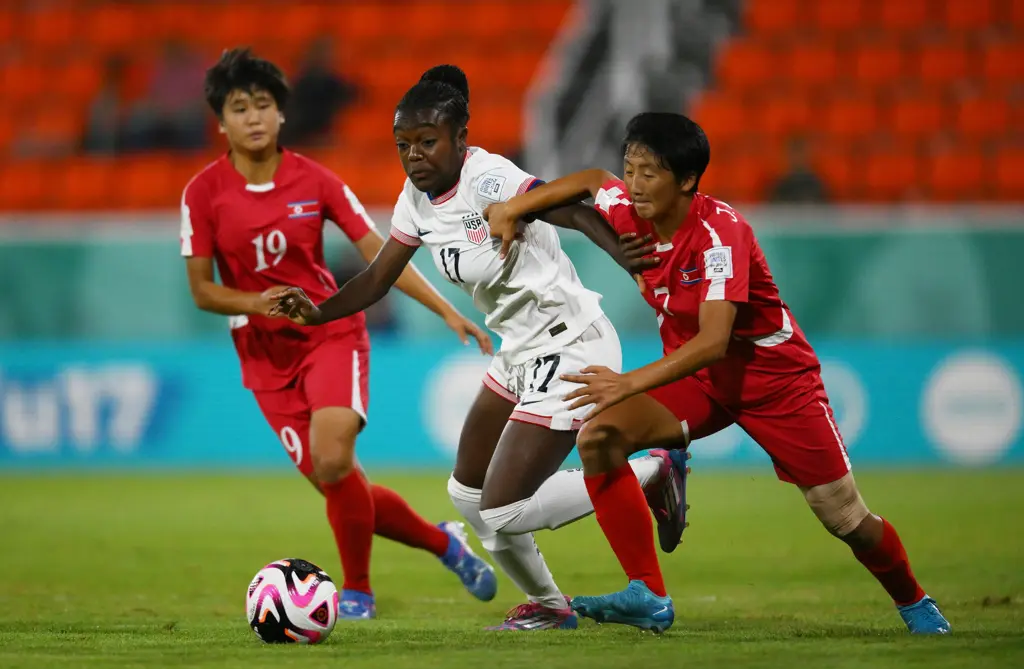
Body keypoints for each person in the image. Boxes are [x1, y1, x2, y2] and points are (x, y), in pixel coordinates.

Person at [483, 112, 951, 636]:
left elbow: (714, 341)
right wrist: (513, 208)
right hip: (701, 382)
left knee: (844, 517)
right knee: (600, 436)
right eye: (631, 169)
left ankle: (916, 603)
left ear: (686, 181)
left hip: (773, 383)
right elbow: (593, 181)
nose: (633, 186)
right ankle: (648, 593)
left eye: (649, 174)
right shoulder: (630, 212)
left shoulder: (720, 235)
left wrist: (627, 383)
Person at [272, 65, 689, 631]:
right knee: (466, 493)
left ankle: (650, 470)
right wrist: (318, 311)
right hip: (518, 352)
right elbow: (378, 277)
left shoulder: (488, 178)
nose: (414, 155)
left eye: (427, 142)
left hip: (570, 346)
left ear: (460, 139)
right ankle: (550, 607)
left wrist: (629, 260)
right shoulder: (415, 201)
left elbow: (568, 208)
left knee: (502, 509)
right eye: (403, 145)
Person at [180, 48, 499, 621]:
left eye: (263, 105)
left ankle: (358, 593)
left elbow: (379, 253)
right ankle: (445, 542)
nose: (253, 117)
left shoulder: (316, 180)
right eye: (238, 107)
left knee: (333, 460)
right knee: (340, 483)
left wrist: (445, 311)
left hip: (329, 333)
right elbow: (203, 289)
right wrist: (258, 303)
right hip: (262, 353)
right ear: (220, 121)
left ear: (281, 115)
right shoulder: (202, 194)